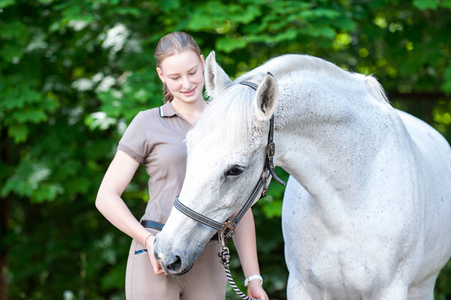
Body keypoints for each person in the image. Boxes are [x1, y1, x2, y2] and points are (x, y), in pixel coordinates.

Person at [95, 31, 269, 300]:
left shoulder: (229, 125)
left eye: (192, 72)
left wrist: (253, 277)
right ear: (161, 75)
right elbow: (106, 196)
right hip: (157, 251)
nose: (186, 84)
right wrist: (148, 241)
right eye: (175, 77)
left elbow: (238, 206)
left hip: (208, 253)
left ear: (203, 64)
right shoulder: (147, 123)